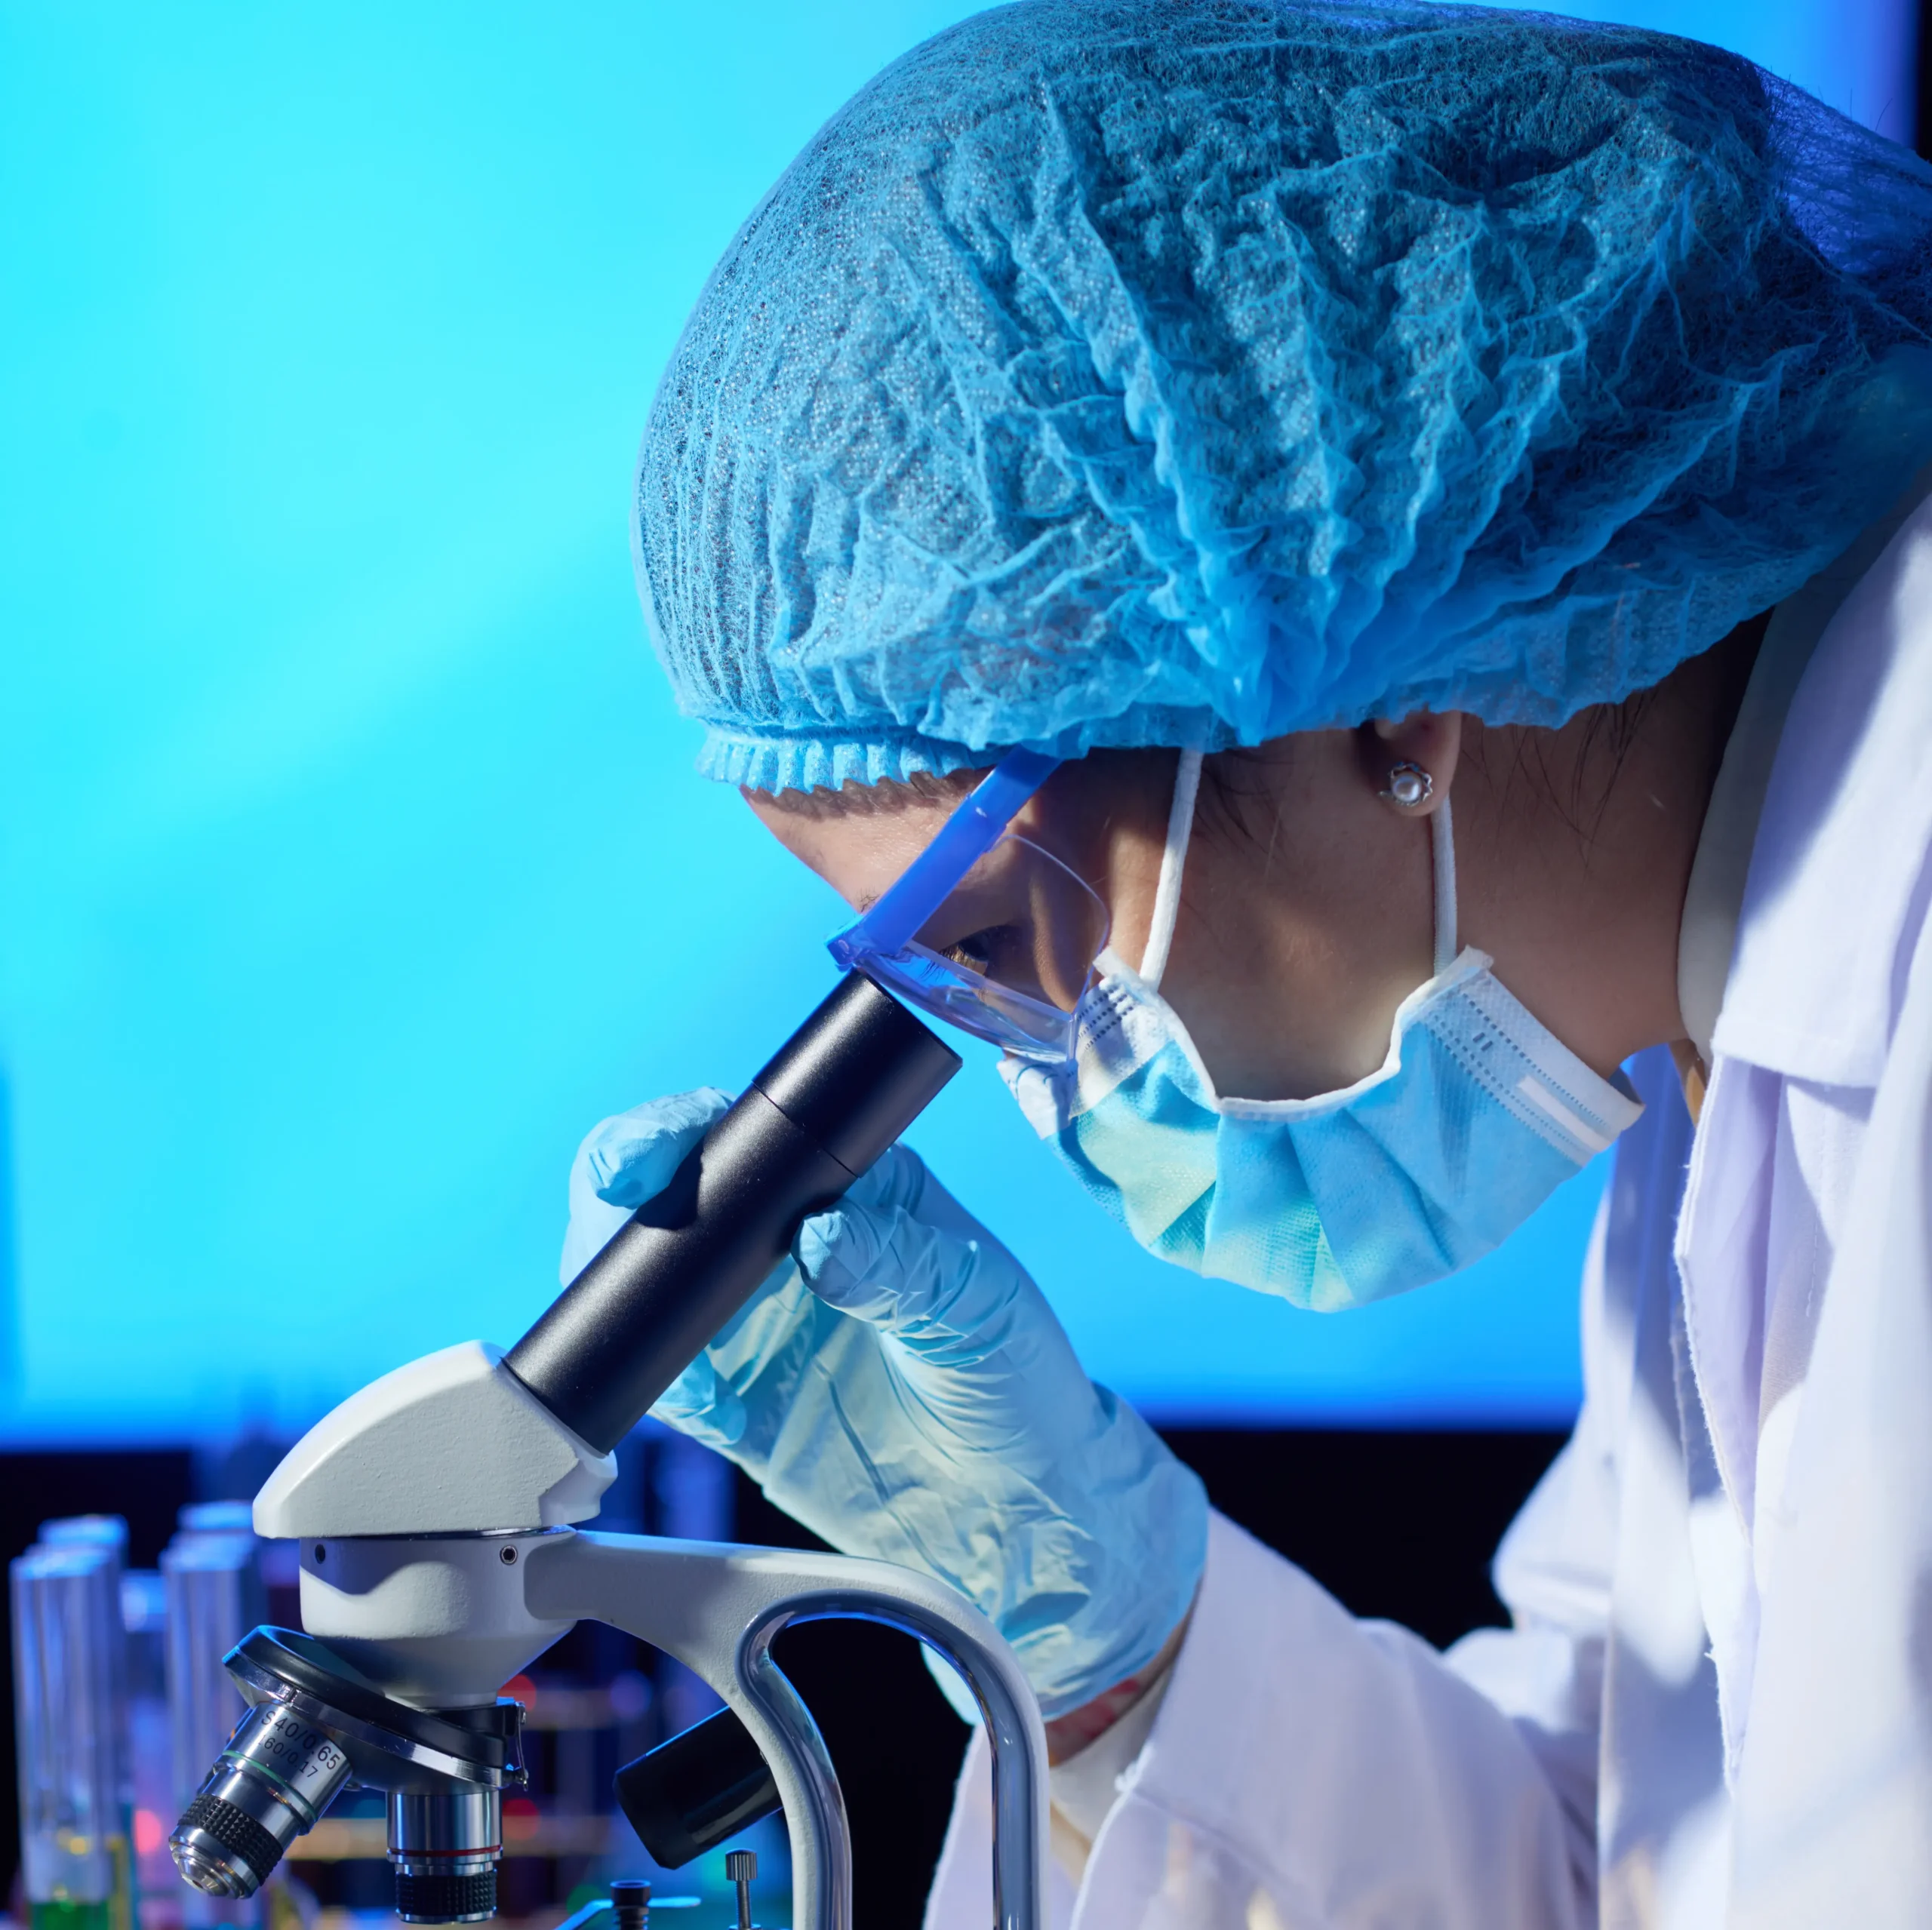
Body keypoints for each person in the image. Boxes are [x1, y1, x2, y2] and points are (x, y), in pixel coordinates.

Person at [564, 2, 1932, 1921]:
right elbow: (1612, 1871)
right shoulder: (1714, 1057)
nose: (1051, 1073)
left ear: (1382, 696)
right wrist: (1116, 1649)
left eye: (1002, 933)